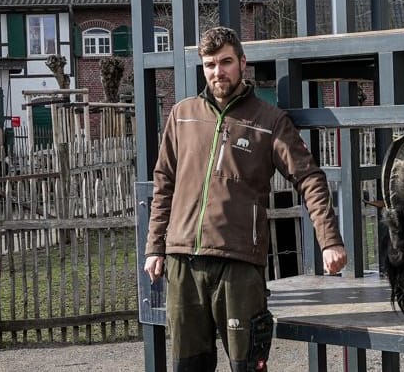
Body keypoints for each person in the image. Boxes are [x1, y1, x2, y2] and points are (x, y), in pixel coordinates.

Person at [145, 26, 347, 372]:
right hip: (182, 263)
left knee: (247, 366)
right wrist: (154, 247)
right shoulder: (182, 115)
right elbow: (163, 183)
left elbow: (309, 178)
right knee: (187, 366)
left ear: (242, 63)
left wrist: (329, 240)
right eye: (209, 64)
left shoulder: (269, 121)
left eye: (225, 62)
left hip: (238, 263)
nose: (217, 71)